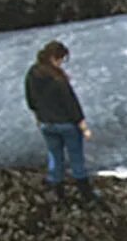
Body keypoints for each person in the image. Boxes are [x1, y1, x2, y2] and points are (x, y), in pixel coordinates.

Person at [24, 41, 97, 202]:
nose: (61, 62)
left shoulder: (32, 73)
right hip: (66, 125)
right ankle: (86, 194)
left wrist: (38, 117)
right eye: (60, 59)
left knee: (55, 156)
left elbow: (31, 100)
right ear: (52, 58)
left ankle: (56, 191)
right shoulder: (58, 79)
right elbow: (71, 104)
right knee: (76, 157)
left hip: (46, 124)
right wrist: (84, 127)